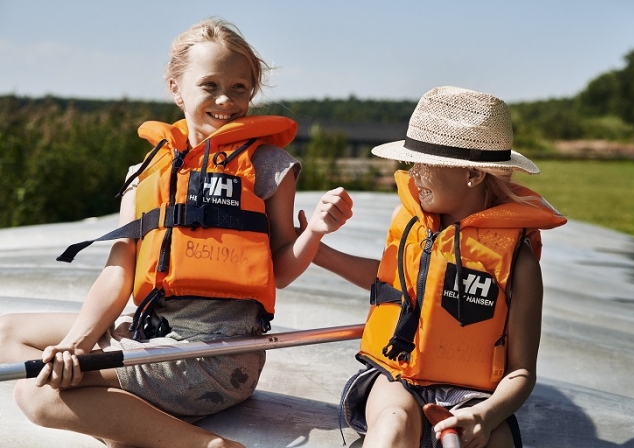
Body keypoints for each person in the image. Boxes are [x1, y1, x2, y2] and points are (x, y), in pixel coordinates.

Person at [0, 18, 353, 448]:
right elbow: (118, 273)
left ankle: (202, 444)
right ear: (176, 88)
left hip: (215, 358)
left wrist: (315, 231)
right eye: (210, 85)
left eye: (240, 87)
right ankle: (124, 415)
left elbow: (278, 271)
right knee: (6, 333)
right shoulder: (146, 171)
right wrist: (76, 344)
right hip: (152, 332)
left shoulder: (269, 165)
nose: (226, 100)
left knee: (35, 395)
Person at [302, 86, 567, 448]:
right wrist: (318, 250)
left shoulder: (518, 262)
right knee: (393, 426)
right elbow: (394, 286)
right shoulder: (414, 226)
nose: (413, 173)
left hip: (474, 397)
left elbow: (521, 372)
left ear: (472, 176)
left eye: (424, 163)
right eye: (412, 162)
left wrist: (485, 417)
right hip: (400, 379)